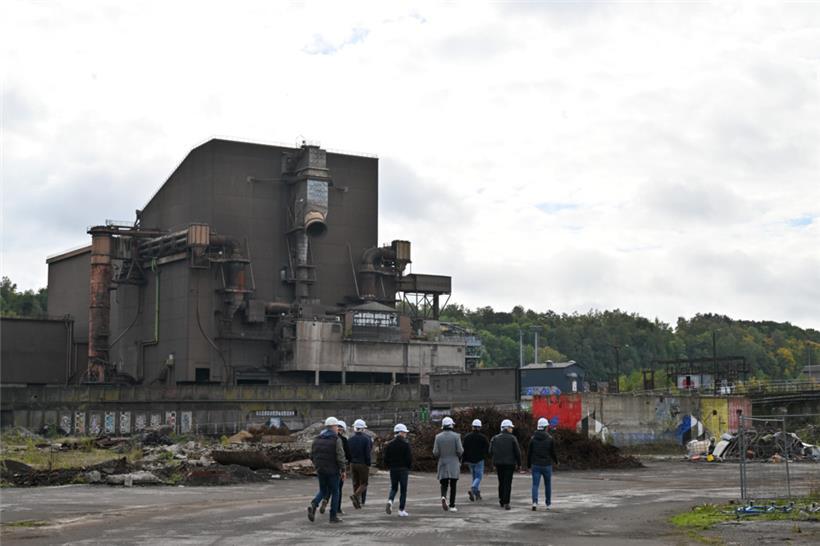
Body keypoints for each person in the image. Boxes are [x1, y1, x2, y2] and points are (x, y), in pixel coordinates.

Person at [308, 417, 347, 523]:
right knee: (335, 492)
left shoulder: (317, 439)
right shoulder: (336, 440)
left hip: (320, 469)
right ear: (333, 427)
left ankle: (314, 503)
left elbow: (311, 455)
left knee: (323, 490)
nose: (337, 428)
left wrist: (317, 465)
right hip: (333, 470)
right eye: (337, 426)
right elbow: (340, 457)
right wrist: (343, 470)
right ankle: (333, 516)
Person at [433, 416, 464, 512]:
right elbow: (460, 450)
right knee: (453, 485)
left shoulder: (438, 437)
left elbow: (435, 452)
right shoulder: (456, 436)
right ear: (451, 425)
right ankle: (452, 505)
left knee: (444, 483)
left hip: (442, 462)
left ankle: (443, 496)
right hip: (453, 462)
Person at [528, 417, 559, 511]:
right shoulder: (550, 439)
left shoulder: (532, 438)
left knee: (535, 485)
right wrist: (556, 461)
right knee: (547, 485)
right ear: (545, 427)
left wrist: (528, 464)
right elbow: (553, 452)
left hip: (535, 464)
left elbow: (529, 453)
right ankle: (548, 504)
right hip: (547, 465)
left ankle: (534, 503)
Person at [490, 418, 521, 510]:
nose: (512, 429)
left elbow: (490, 451)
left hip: (498, 464)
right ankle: (506, 502)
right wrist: (519, 464)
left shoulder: (495, 438)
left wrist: (494, 460)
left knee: (501, 482)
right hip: (510, 464)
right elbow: (517, 452)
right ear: (507, 428)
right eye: (511, 427)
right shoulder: (513, 438)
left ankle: (501, 500)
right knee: (507, 483)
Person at [322, 420, 351, 516]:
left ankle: (325, 500)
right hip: (337, 467)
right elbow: (346, 454)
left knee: (329, 487)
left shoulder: (325, 438)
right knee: (338, 490)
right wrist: (344, 468)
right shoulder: (342, 440)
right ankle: (337, 509)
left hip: (326, 466)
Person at [384, 423, 412, 517]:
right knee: (403, 490)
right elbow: (409, 458)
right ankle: (401, 510)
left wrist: (389, 466)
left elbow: (386, 458)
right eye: (404, 432)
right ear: (401, 432)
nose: (405, 434)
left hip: (393, 469)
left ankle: (390, 501)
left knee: (394, 487)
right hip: (403, 469)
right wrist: (408, 467)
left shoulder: (389, 444)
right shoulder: (406, 444)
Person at [462, 418, 490, 502]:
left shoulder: (467, 437)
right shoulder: (483, 437)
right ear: (480, 427)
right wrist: (485, 456)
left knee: (474, 477)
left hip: (469, 460)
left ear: (472, 427)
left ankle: (477, 494)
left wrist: (464, 459)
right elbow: (487, 449)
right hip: (479, 460)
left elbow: (463, 449)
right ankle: (473, 488)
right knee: (478, 477)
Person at [348, 418, 373, 509]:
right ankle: (355, 496)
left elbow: (348, 453)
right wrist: (368, 463)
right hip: (362, 464)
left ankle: (357, 502)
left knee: (355, 483)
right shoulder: (367, 439)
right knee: (364, 483)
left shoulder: (350, 439)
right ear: (363, 428)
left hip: (352, 464)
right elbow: (368, 453)